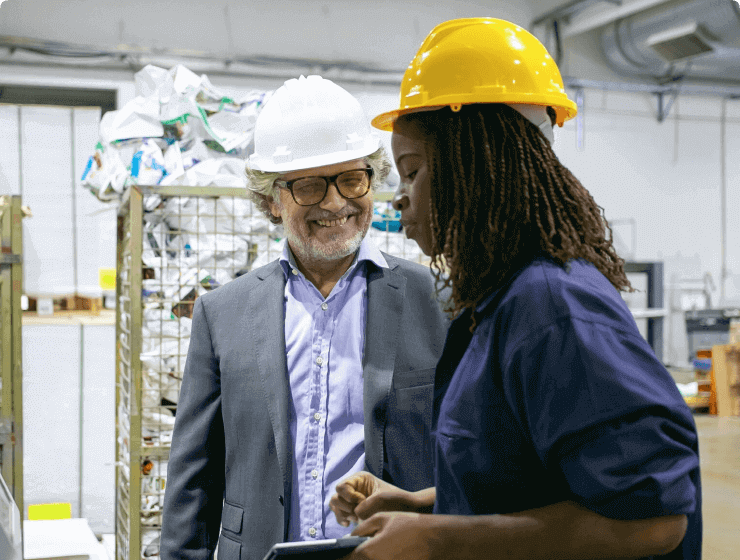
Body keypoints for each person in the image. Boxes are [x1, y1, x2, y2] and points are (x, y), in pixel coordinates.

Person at [330, 18, 702, 560]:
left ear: (473, 164)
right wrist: (423, 506)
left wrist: (438, 539)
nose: (400, 197)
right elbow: (524, 479)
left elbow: (652, 519)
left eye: (412, 172)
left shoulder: (553, 307)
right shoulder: (495, 303)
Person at [160, 75, 449, 560]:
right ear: (272, 201)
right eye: (310, 186)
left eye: (351, 179)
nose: (335, 203)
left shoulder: (438, 302)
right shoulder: (222, 314)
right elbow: (193, 480)